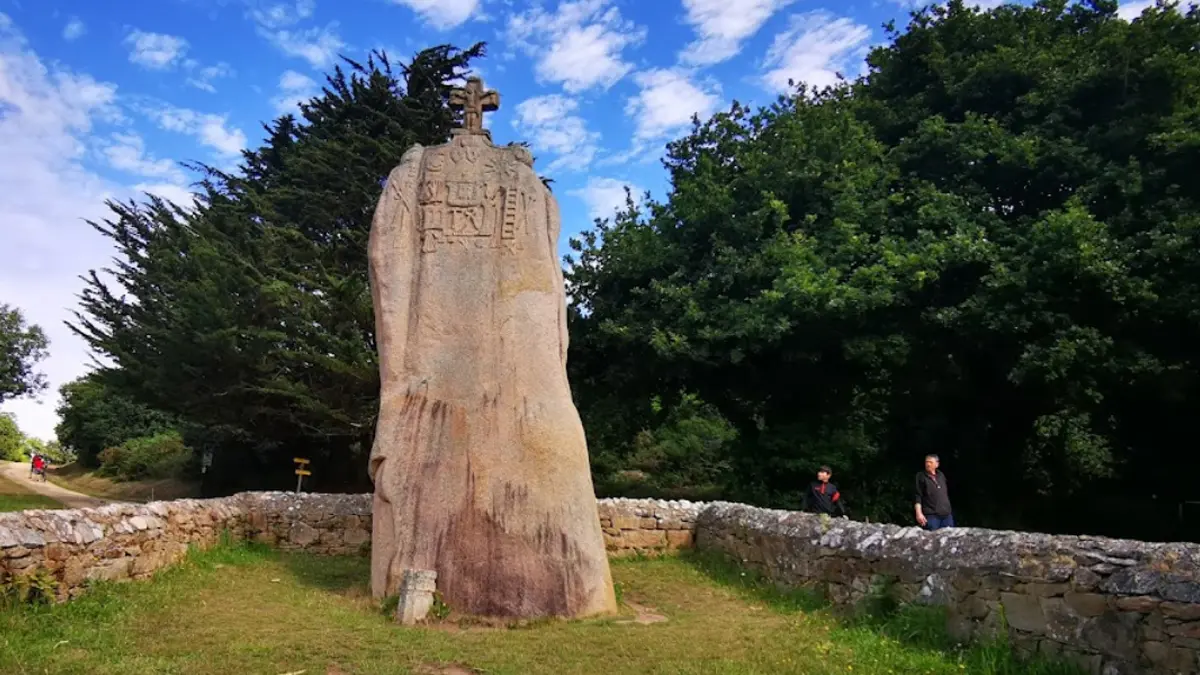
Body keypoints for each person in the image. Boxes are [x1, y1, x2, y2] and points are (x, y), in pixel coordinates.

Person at [915, 454, 953, 530]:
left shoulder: (941, 475)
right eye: (926, 462)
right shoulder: (921, 476)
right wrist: (918, 513)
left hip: (947, 515)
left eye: (931, 462)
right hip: (931, 516)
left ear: (937, 464)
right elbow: (918, 495)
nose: (928, 464)